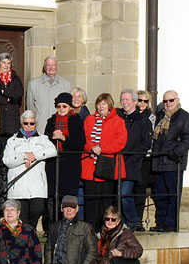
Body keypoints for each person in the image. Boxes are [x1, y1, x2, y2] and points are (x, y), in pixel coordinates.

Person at [150, 90, 189, 232]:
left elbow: (188, 139)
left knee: (173, 196)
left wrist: (175, 153)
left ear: (177, 100)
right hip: (158, 162)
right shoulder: (161, 116)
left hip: (173, 163)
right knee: (160, 196)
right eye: (165, 101)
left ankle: (170, 224)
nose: (168, 103)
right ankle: (161, 223)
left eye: (171, 100)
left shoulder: (185, 117)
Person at [3, 110, 57, 229]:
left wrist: (34, 155)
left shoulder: (43, 139)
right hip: (18, 186)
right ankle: (25, 237)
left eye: (31, 123)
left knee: (37, 210)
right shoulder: (12, 141)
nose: (28, 126)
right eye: (26, 123)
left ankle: (29, 232)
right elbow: (7, 160)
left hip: (37, 186)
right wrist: (24, 156)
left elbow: (52, 151)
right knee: (21, 216)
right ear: (22, 123)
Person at [82, 93, 127, 229]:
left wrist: (102, 148)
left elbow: (120, 141)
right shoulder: (89, 119)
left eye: (104, 103)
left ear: (109, 105)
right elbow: (84, 138)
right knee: (91, 200)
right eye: (99, 103)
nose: (101, 106)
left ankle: (105, 229)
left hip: (107, 164)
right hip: (90, 164)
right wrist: (92, 147)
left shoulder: (118, 121)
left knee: (106, 201)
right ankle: (90, 230)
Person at [44, 93, 86, 222]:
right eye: (59, 106)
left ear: (69, 107)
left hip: (70, 165)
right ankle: (54, 224)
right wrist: (53, 138)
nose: (61, 109)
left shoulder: (76, 120)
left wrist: (63, 138)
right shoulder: (51, 121)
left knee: (68, 197)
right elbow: (45, 142)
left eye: (64, 106)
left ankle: (68, 223)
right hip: (54, 164)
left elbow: (80, 143)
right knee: (52, 197)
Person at [117, 89, 153, 230]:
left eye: (127, 99)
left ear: (134, 102)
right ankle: (122, 222)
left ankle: (132, 222)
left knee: (125, 194)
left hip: (132, 163)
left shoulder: (142, 120)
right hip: (117, 161)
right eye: (122, 99)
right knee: (117, 195)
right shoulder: (118, 117)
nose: (124, 102)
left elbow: (146, 143)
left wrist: (134, 156)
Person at [26, 56, 72, 133]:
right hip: (40, 128)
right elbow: (30, 109)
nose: (51, 68)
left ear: (57, 67)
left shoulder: (66, 84)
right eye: (48, 65)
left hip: (60, 129)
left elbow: (69, 110)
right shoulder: (33, 84)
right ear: (44, 67)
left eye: (53, 65)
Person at [0, 52, 24, 144]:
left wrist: (4, 91)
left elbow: (18, 95)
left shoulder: (16, 79)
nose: (6, 65)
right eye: (4, 62)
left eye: (8, 63)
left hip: (12, 121)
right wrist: (6, 100)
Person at [134, 89, 157, 231]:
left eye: (145, 101)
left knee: (140, 190)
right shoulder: (129, 116)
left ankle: (138, 220)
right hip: (131, 158)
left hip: (145, 158)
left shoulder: (152, 118)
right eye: (139, 100)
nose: (142, 103)